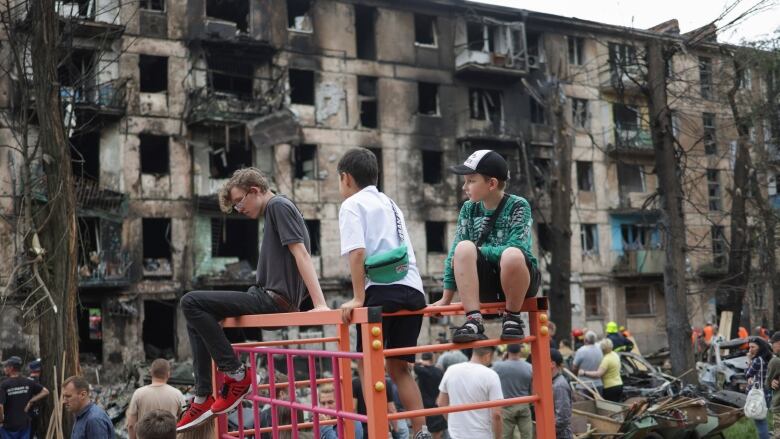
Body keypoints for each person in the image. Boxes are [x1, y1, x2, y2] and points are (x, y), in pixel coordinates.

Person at [177, 168, 329, 431]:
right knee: (196, 315)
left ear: (254, 191)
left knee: (190, 301)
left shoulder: (278, 206)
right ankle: (202, 396)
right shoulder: (276, 210)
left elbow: (302, 254)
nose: (238, 208)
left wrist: (320, 304)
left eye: (239, 201)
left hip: (270, 300)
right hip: (264, 295)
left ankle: (237, 375)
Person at [335, 148, 430, 439]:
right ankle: (420, 429)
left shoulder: (352, 204)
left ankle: (380, 431)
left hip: (380, 292)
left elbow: (357, 252)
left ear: (346, 178)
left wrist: (358, 298)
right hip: (413, 291)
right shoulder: (391, 203)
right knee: (400, 368)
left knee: (366, 362)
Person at [433, 150, 540, 343]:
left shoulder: (518, 206)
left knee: (512, 255)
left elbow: (518, 247)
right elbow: (455, 253)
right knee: (463, 248)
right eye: (465, 181)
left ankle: (512, 318)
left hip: (519, 280)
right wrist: (445, 298)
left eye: (471, 181)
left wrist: (479, 251)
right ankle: (473, 319)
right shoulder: (469, 208)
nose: (465, 187)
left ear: (491, 183)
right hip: (486, 281)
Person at [437, 346, 503, 439]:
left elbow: (441, 403)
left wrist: (454, 422)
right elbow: (497, 414)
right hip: (481, 435)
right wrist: (498, 437)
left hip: (454, 434)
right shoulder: (491, 375)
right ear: (488, 355)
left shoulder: (451, 370)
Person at [127, 359, 185, 439]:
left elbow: (131, 425)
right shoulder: (177, 394)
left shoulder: (138, 393)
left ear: (151, 373)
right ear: (168, 374)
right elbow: (184, 423)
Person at [0, 356, 49, 439]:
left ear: (11, 368)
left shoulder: (4, 385)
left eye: (6, 366)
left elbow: (0, 406)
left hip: (9, 426)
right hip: (24, 425)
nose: (4, 369)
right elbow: (45, 391)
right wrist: (31, 401)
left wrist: (1, 420)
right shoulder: (28, 382)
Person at [491, 344, 533, 439]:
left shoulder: (498, 366)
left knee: (505, 435)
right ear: (520, 351)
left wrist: (502, 360)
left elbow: (490, 377)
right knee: (527, 435)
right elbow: (533, 389)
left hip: (506, 405)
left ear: (507, 352)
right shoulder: (529, 367)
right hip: (523, 404)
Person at [413, 353, 447, 439]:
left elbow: (412, 364)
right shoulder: (439, 371)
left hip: (424, 406)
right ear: (433, 359)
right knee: (437, 433)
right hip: (437, 405)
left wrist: (420, 362)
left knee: (422, 431)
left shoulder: (420, 371)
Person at [745, 337, 773, 439]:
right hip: (769, 392)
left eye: (753, 347)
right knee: (765, 418)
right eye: (749, 347)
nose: (750, 349)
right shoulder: (771, 358)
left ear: (760, 347)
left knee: (760, 421)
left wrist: (748, 360)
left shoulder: (758, 360)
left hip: (759, 394)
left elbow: (748, 374)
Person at [571, 331, 604, 395]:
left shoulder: (581, 351)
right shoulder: (600, 348)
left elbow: (574, 367)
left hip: (583, 385)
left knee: (584, 405)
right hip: (598, 385)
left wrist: (575, 376)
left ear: (585, 340)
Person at [551, 349, 572, 439]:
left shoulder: (559, 385)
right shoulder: (554, 382)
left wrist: (550, 431)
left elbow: (562, 418)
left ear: (552, 364)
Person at [765, 332, 780, 439]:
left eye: (772, 343)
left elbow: (767, 384)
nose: (771, 346)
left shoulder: (775, 361)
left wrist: (770, 383)